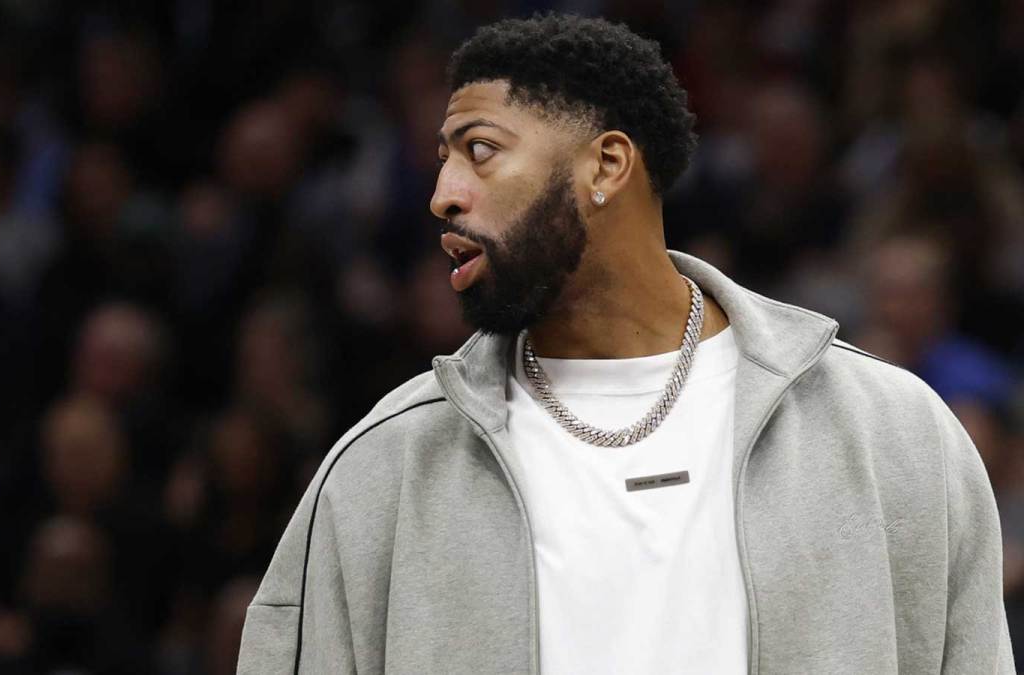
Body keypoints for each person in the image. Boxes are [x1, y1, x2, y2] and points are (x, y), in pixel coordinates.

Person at [238, 14, 1014, 674]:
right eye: (442, 158)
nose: (444, 193)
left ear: (606, 164)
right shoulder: (384, 466)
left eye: (478, 149)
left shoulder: (888, 431)